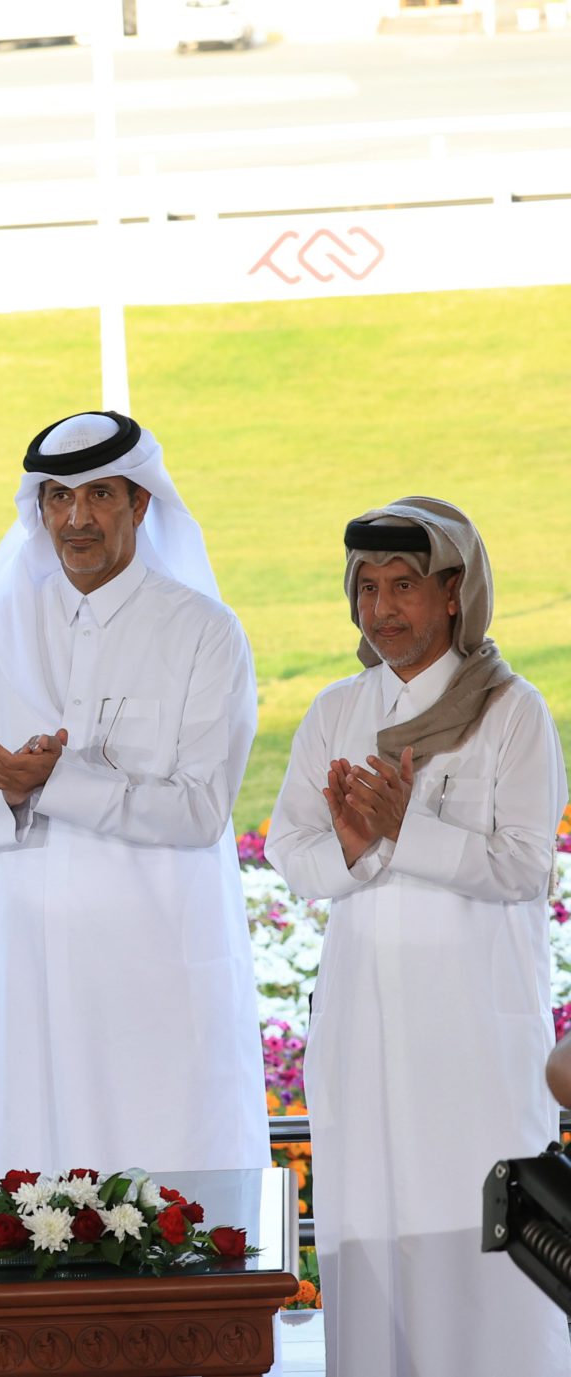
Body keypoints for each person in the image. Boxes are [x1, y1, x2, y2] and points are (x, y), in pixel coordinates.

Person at [267, 499, 570, 1377]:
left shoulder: (513, 712)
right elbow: (291, 848)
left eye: (403, 585)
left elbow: (524, 867)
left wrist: (407, 830)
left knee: (479, 1233)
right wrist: (356, 849)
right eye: (367, 587)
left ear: (452, 593)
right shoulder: (337, 709)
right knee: (372, 1226)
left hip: (472, 1031)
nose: (382, 608)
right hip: (363, 1028)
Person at [0, 410, 264, 1179]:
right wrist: (10, 798)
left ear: (140, 501)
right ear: (39, 509)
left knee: (168, 1183)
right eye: (59, 497)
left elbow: (201, 807)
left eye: (100, 494)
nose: (77, 517)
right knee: (34, 1193)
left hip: (156, 965)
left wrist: (57, 782)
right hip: (31, 967)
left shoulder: (204, 632)